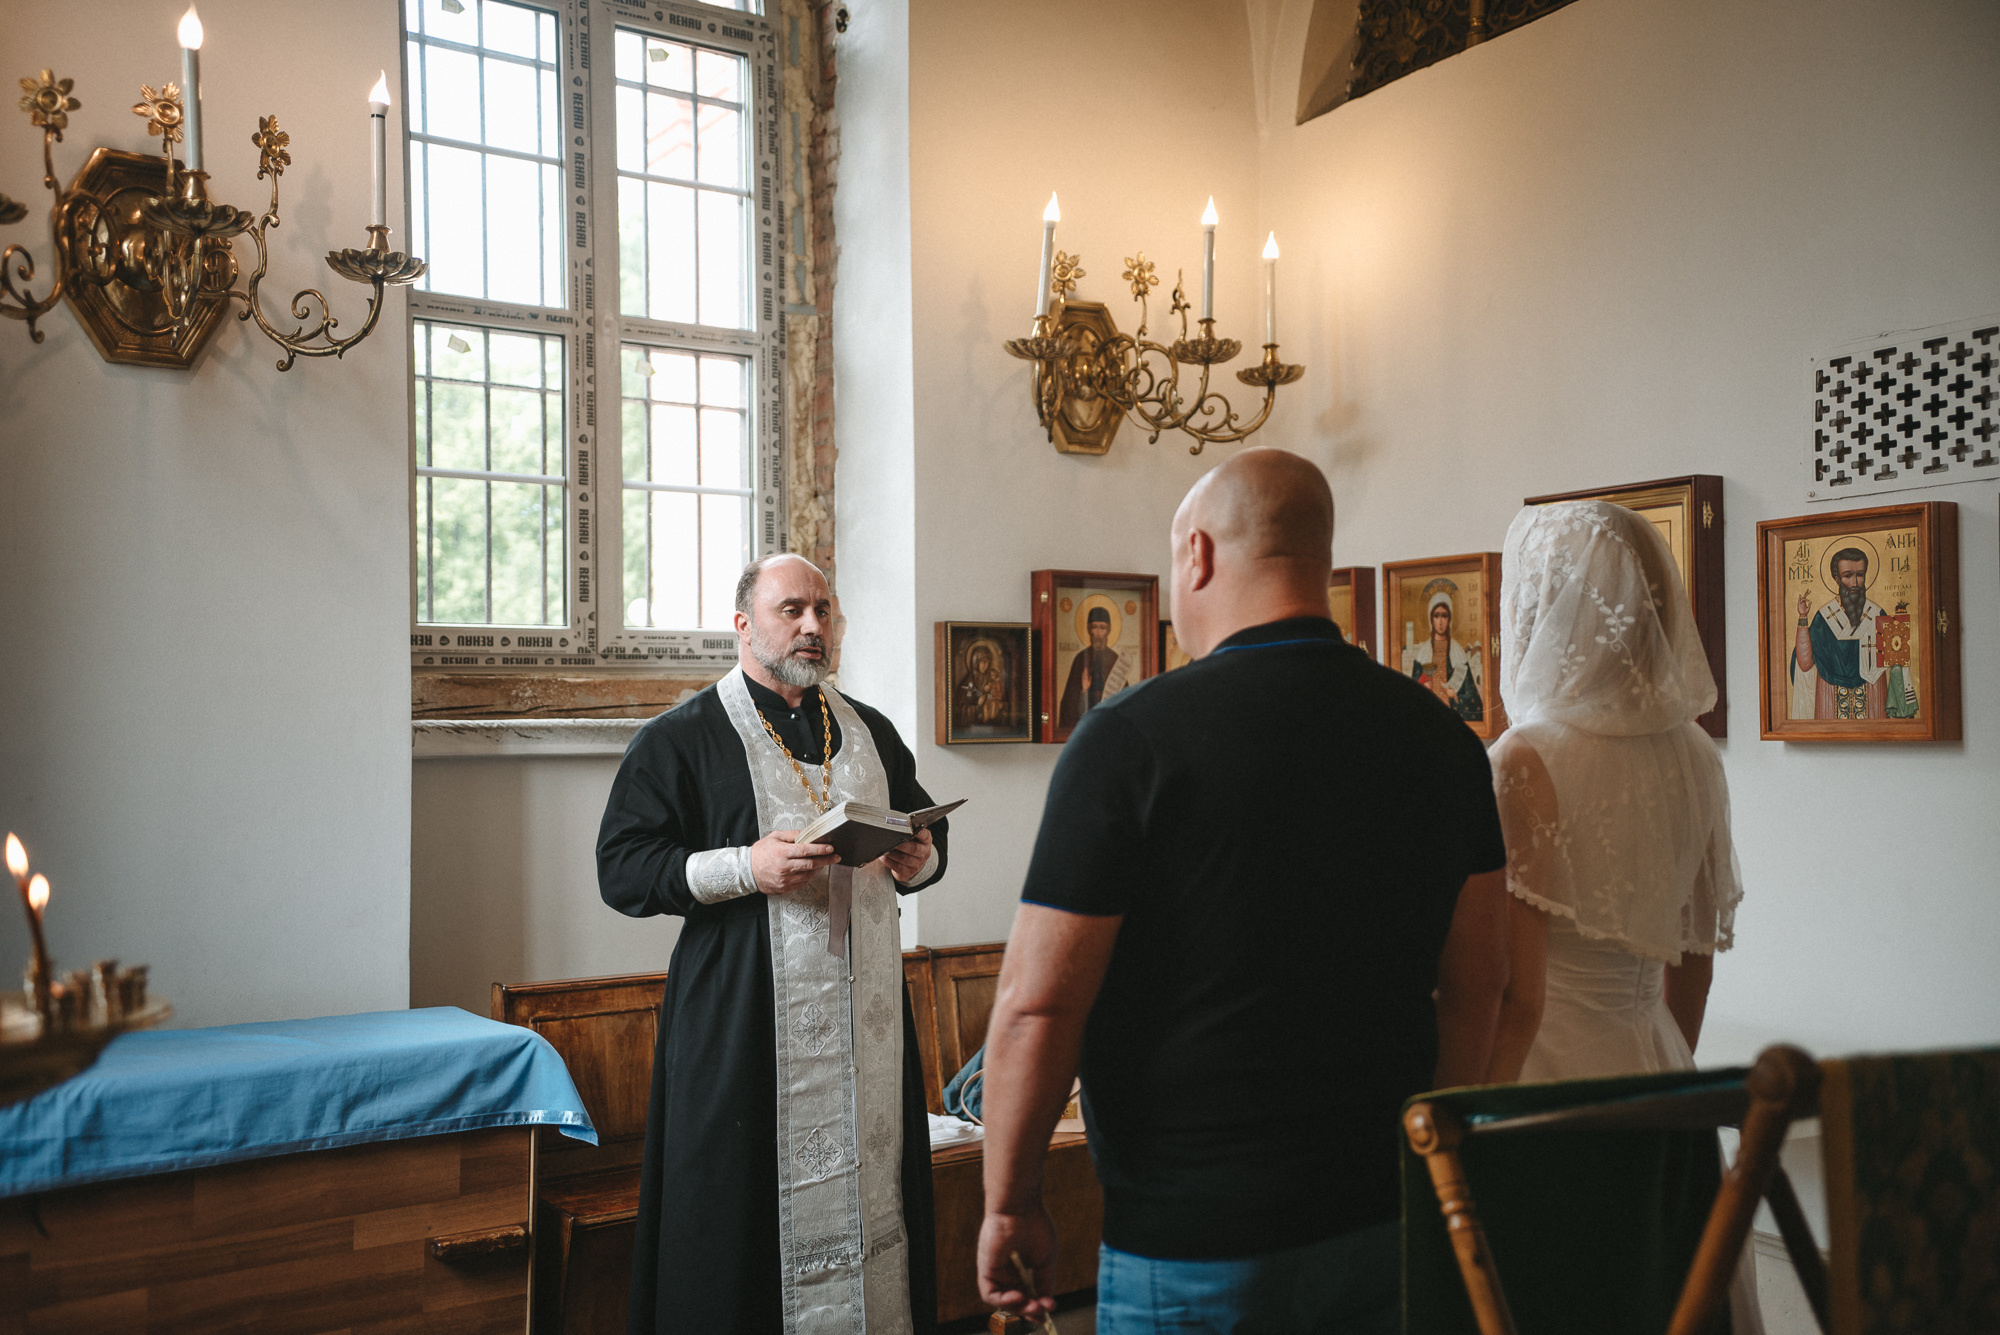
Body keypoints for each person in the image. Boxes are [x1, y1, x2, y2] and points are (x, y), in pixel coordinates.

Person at [975, 448, 1511, 1334]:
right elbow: (1479, 983)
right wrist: (1423, 1168)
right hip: (1384, 1211)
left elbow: (1039, 1004)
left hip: (1195, 1232)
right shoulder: (1444, 740)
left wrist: (1009, 1200)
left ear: (1197, 553)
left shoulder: (1132, 739)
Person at [598, 553, 949, 1335]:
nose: (812, 626)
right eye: (792, 609)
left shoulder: (870, 730)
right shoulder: (681, 738)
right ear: (743, 623)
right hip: (742, 1027)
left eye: (824, 610)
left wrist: (921, 858)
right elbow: (620, 868)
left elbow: (928, 827)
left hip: (866, 1030)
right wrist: (745, 866)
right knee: (738, 1223)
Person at [1482, 500, 1760, 1333]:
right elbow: (1696, 961)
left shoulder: (1522, 760)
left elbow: (1517, 991)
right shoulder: (1694, 754)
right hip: (1659, 1060)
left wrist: (1468, 1116)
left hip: (1542, 1073)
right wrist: (1661, 1062)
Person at [1789, 547, 1906, 720]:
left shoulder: (1877, 613)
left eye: (1860, 575)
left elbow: (1896, 664)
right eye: (1848, 575)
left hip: (1871, 692)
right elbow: (1805, 664)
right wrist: (1803, 617)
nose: (1855, 583)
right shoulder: (1824, 616)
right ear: (1837, 579)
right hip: (1830, 696)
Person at [1402, 588, 1484, 722]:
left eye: (1444, 616)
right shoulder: (1423, 653)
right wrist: (1422, 688)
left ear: (1449, 619)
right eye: (1436, 616)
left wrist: (1456, 695)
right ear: (1431, 619)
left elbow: (1473, 697)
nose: (1440, 622)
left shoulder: (1457, 652)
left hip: (1451, 717)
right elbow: (1411, 693)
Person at [1057, 605, 1126, 726]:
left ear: (1108, 630)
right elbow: (1069, 703)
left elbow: (1125, 698)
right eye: (1094, 627)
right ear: (1089, 629)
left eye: (1102, 628)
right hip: (1085, 720)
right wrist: (1084, 690)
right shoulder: (1080, 659)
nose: (1098, 633)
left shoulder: (1115, 659)